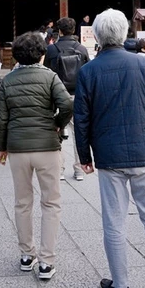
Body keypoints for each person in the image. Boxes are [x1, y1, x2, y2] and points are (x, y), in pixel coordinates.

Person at [73, 9, 145, 288]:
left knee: (114, 222)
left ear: (96, 35)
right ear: (125, 33)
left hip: (109, 155)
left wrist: (84, 156)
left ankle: (120, 283)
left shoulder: (88, 71)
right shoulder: (144, 65)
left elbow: (81, 118)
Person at [0, 31, 73, 281]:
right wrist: (58, 124)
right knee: (50, 203)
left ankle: (27, 255)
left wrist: (2, 146)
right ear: (41, 54)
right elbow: (67, 104)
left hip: (18, 147)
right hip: (47, 147)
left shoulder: (8, 80)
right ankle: (47, 261)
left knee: (22, 202)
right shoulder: (50, 77)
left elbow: (2, 118)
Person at [44, 17, 90, 181]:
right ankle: (79, 168)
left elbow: (47, 74)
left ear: (60, 31)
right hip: (78, 96)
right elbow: (87, 75)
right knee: (79, 132)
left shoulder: (52, 50)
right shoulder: (82, 49)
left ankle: (60, 169)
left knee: (57, 132)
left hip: (57, 95)